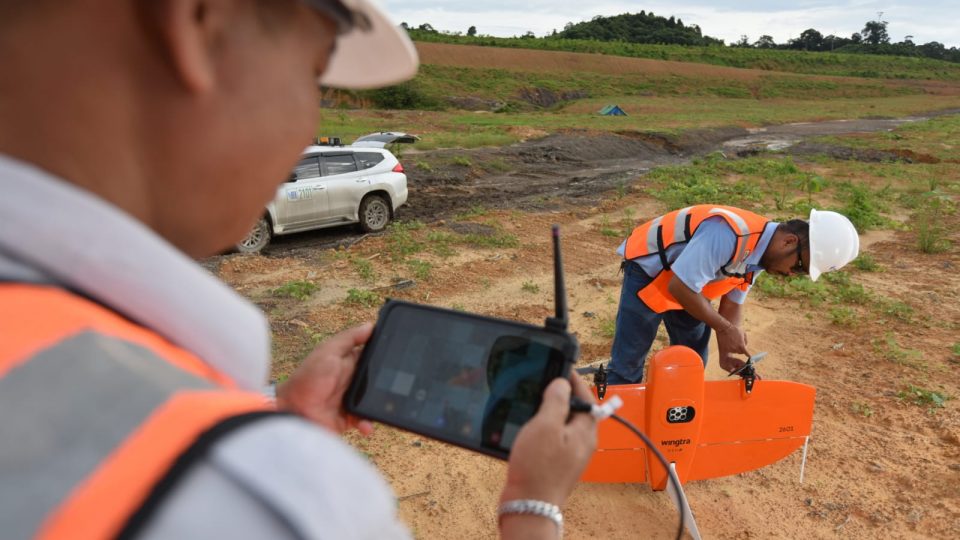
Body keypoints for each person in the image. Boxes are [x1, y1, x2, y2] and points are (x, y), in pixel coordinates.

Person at [0, 1, 596, 539]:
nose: (310, 123)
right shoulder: (269, 502)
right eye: (315, 75)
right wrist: (532, 505)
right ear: (200, 23)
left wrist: (279, 407)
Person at [606, 204, 859, 384]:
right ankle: (614, 429)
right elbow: (679, 288)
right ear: (789, 242)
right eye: (800, 266)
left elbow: (733, 302)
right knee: (629, 361)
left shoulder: (762, 254)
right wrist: (725, 329)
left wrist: (728, 350)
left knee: (692, 360)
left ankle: (672, 418)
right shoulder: (728, 234)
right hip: (649, 269)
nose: (793, 274)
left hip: (689, 281)